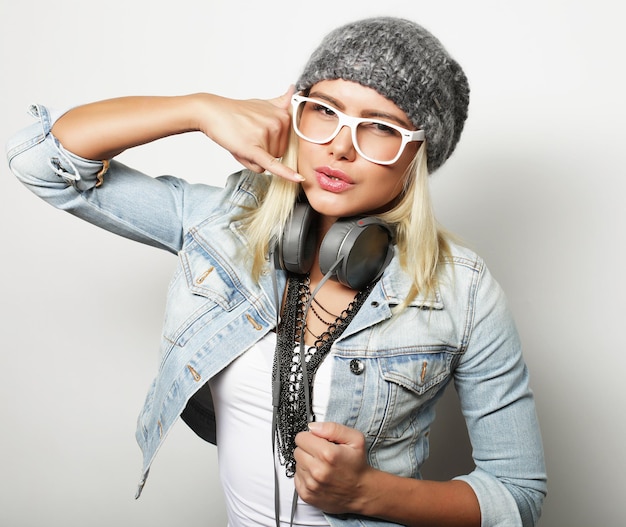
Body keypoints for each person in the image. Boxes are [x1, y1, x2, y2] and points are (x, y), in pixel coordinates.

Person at [6, 16, 546, 527]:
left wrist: (367, 493)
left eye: (379, 127)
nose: (339, 145)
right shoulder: (222, 225)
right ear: (296, 113)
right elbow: (44, 163)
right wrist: (197, 109)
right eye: (325, 110)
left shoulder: (463, 290)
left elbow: (518, 494)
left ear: (419, 157)